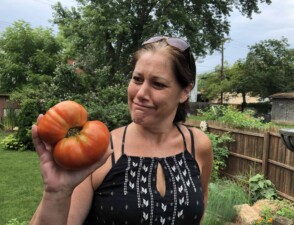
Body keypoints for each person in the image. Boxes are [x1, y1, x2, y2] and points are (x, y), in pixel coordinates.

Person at [30, 35, 213, 225]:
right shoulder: (99, 149)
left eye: (158, 84)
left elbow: (199, 209)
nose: (141, 94)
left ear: (185, 91)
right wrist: (56, 194)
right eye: (137, 79)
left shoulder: (197, 146)